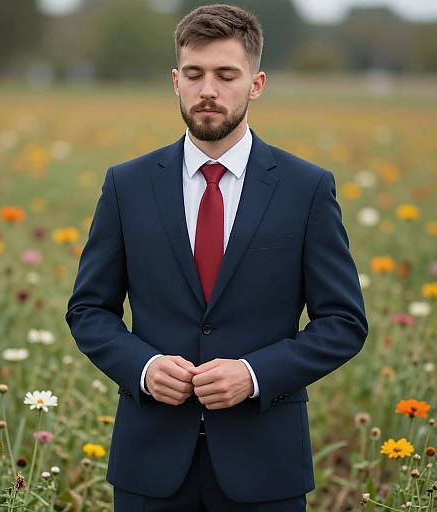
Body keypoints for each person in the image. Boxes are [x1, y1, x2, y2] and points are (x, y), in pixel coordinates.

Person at [65, 3, 368, 511]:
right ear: (175, 80)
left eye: (226, 75)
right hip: (149, 465)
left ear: (256, 84)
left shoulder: (306, 189)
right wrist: (143, 367)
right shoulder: (127, 185)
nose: (208, 89)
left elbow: (343, 322)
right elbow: (88, 310)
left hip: (266, 467)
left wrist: (254, 375)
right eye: (195, 73)